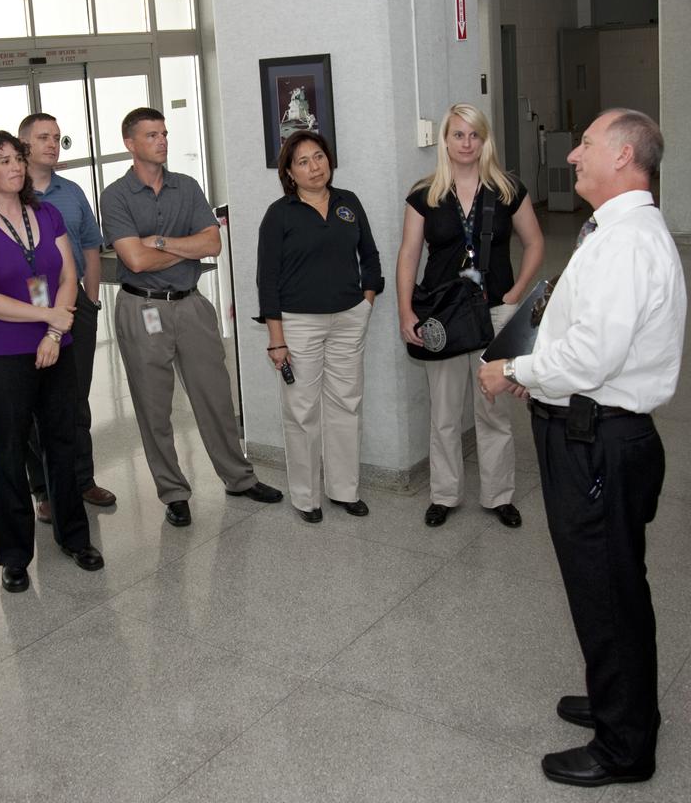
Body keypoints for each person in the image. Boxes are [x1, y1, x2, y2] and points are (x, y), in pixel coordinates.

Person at [478, 109, 684, 788]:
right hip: (591, 430)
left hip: (600, 439)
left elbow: (593, 357)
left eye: (587, 146)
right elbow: (580, 328)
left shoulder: (627, 243)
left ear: (624, 156)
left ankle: (626, 746)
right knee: (603, 584)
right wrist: (532, 365)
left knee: (608, 590)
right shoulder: (614, 231)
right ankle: (615, 701)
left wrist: (514, 370)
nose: (573, 157)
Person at [102, 107, 283, 528]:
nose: (162, 141)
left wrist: (161, 241)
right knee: (154, 406)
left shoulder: (188, 186)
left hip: (191, 304)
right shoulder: (116, 196)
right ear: (130, 143)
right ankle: (174, 492)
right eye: (151, 135)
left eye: (164, 133)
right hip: (142, 306)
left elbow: (214, 245)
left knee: (216, 397)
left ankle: (238, 478)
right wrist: (185, 247)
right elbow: (134, 259)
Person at [0, 131, 104, 593]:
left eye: (17, 158)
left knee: (63, 442)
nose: (15, 167)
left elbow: (68, 274)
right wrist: (48, 317)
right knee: (13, 452)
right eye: (3, 161)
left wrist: (56, 332)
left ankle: (75, 537)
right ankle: (15, 556)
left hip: (57, 347)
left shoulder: (48, 211)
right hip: (4, 356)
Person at [396, 103, 544, 529]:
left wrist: (513, 295)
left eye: (473, 135)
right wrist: (406, 310)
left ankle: (499, 496)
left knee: (492, 408)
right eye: (458, 135)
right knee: (443, 412)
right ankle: (444, 494)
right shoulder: (425, 194)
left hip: (494, 311)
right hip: (443, 314)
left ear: (484, 140)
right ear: (445, 140)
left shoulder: (507, 189)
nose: (466, 143)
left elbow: (534, 244)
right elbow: (408, 255)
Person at [255, 131, 383, 523]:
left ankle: (345, 490)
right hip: (298, 325)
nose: (315, 167)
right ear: (289, 173)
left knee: (347, 403)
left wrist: (366, 301)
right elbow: (267, 279)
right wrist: (276, 340)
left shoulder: (349, 203)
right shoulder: (280, 214)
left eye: (319, 157)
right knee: (302, 410)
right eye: (304, 161)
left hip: (349, 319)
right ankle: (307, 497)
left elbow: (371, 256)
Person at [18, 113, 116, 521]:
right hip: (27, 311)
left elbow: (91, 249)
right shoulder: (9, 196)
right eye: (44, 138)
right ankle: (42, 489)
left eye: (57, 138)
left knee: (75, 397)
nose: (53, 145)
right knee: (36, 402)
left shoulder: (72, 192)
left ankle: (82, 478)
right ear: (24, 146)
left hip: (75, 307)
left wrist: (90, 301)